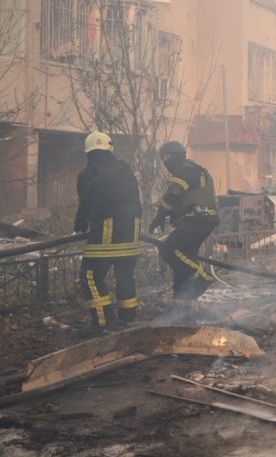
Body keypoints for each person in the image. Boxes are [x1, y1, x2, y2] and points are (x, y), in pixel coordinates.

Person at [73, 131, 142, 338]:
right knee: (125, 274)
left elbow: (86, 202)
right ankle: (128, 316)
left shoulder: (88, 173)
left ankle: (102, 322)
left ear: (89, 152)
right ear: (109, 149)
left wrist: (80, 221)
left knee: (91, 275)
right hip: (133, 229)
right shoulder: (126, 169)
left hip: (107, 229)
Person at [148, 141, 220, 322]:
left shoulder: (185, 169)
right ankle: (182, 310)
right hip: (197, 220)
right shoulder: (191, 170)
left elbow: (173, 194)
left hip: (198, 221)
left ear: (176, 155)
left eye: (166, 157)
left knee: (168, 250)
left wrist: (159, 216)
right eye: (163, 159)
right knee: (182, 266)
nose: (165, 162)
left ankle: (203, 277)